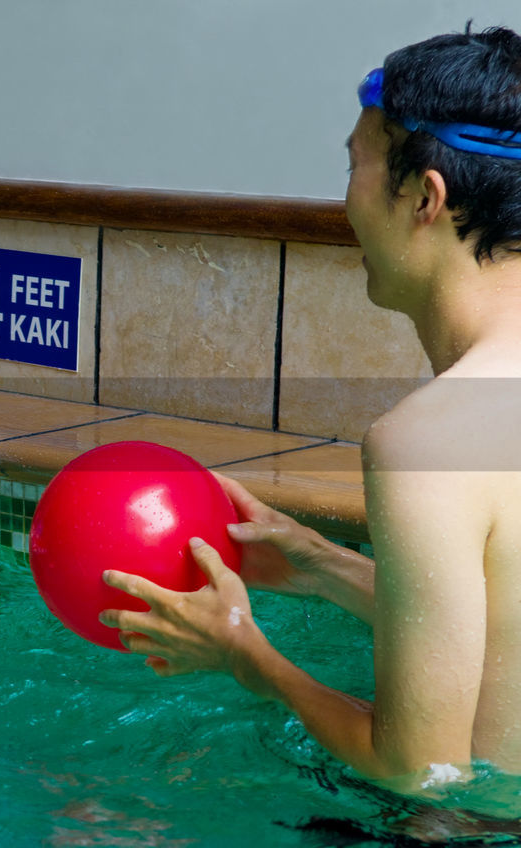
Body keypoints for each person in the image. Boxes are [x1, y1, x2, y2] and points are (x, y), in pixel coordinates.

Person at [99, 26, 521, 790]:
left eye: (354, 163)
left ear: (425, 197)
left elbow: (418, 771)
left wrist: (244, 653)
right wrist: (325, 567)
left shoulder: (429, 443)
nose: (345, 199)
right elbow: (498, 641)